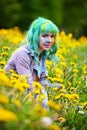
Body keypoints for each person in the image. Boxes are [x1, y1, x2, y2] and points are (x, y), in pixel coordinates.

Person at [4, 17, 60, 108]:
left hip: (26, 98)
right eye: (45, 35)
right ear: (35, 36)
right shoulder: (22, 54)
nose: (49, 40)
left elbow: (43, 82)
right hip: (10, 97)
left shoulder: (41, 56)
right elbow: (28, 85)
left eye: (52, 36)